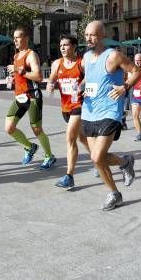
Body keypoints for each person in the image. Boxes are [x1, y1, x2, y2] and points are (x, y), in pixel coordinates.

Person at [81, 21, 141, 210]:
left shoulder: (113, 56)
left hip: (110, 111)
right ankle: (124, 165)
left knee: (96, 157)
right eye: (86, 35)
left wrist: (125, 87)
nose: (88, 38)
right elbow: (90, 78)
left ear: (101, 35)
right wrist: (82, 88)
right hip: (89, 111)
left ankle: (115, 189)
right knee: (97, 157)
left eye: (92, 35)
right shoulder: (85, 57)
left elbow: (136, 72)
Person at [4, 27, 56, 169]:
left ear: (26, 38)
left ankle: (49, 156)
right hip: (20, 96)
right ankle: (29, 146)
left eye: (18, 37)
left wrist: (20, 71)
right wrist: (13, 78)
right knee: (9, 128)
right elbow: (20, 75)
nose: (15, 40)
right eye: (14, 37)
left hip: (32, 96)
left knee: (37, 129)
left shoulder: (31, 55)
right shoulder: (16, 56)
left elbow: (38, 76)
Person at [47, 35, 89, 190]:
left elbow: (91, 78)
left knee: (70, 138)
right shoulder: (57, 64)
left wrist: (82, 85)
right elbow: (51, 79)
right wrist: (50, 85)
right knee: (83, 139)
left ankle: (69, 176)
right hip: (65, 108)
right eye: (61, 45)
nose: (63, 48)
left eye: (66, 45)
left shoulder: (81, 63)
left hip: (79, 106)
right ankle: (98, 161)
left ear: (74, 47)